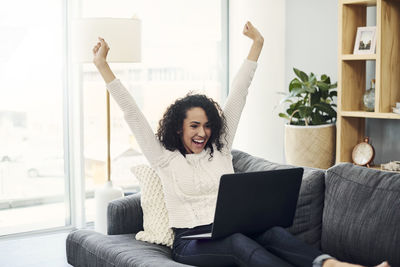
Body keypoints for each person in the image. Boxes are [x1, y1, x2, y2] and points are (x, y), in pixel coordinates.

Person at [92, 21, 390, 267]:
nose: (203, 132)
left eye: (207, 125)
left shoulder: (219, 148)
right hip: (191, 242)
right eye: (194, 126)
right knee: (238, 244)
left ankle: (336, 266)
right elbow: (131, 112)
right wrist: (103, 65)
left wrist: (256, 45)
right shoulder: (164, 157)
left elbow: (239, 94)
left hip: (233, 228)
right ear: (178, 127)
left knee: (271, 233)